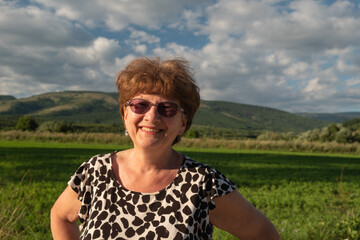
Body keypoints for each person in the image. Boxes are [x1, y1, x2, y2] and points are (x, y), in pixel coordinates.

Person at [51, 57, 281, 240]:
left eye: (167, 108)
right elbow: (60, 216)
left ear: (182, 123)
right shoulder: (94, 171)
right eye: (140, 105)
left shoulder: (203, 183)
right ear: (125, 114)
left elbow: (264, 235)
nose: (151, 116)